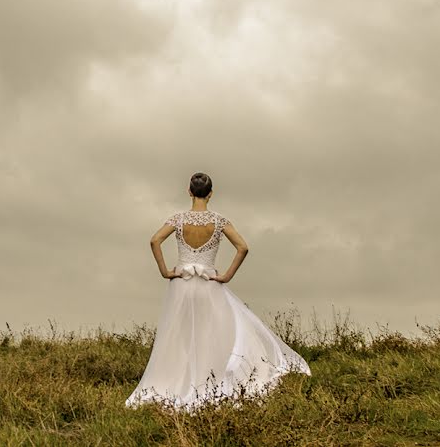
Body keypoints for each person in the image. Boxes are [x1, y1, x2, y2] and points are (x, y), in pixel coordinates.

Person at [124, 172, 311, 413]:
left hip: (181, 285)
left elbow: (154, 240)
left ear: (189, 192)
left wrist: (165, 271)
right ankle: (209, 382)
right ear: (210, 194)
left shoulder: (178, 219)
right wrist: (226, 276)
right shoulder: (219, 221)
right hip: (208, 284)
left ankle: (177, 383)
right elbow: (243, 247)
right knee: (209, 334)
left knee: (178, 337)